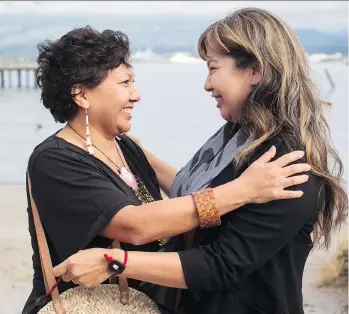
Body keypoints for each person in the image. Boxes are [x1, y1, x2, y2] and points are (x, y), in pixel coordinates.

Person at [53, 8, 348, 314]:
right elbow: (198, 190)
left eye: (213, 68)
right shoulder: (238, 134)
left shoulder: (284, 161)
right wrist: (136, 156)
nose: (207, 85)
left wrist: (114, 262)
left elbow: (221, 264)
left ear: (255, 71)